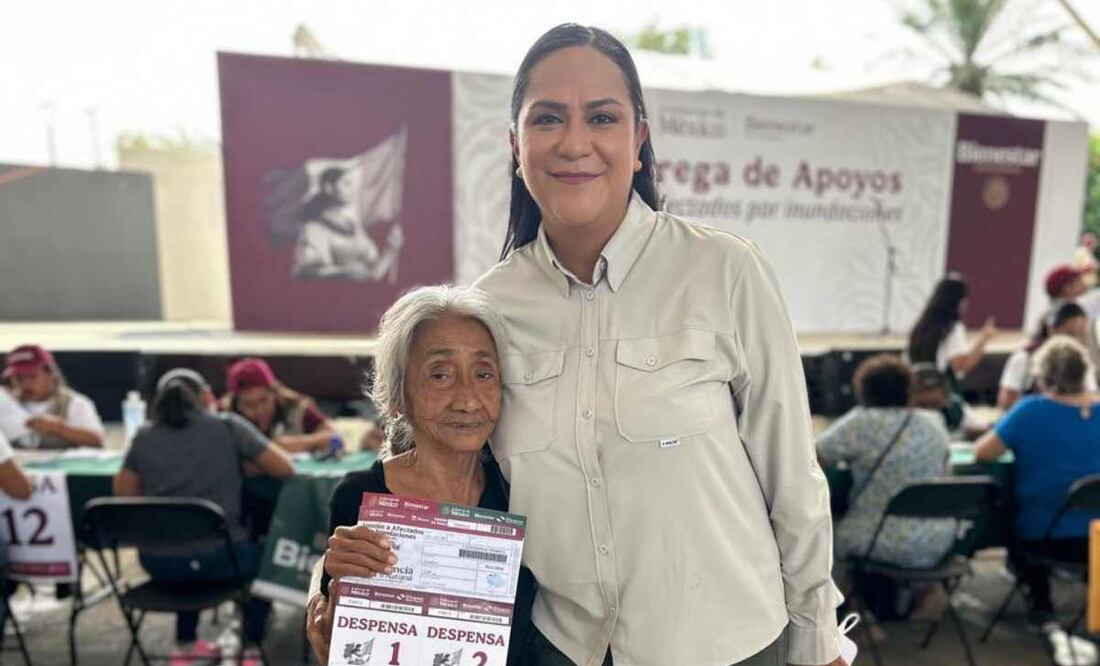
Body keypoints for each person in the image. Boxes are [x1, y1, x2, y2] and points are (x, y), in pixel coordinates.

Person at [320, 25, 845, 666]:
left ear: (639, 137)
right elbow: (446, 470)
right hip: (564, 650)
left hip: (730, 644)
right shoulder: (491, 309)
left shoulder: (724, 271)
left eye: (602, 116)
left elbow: (793, 477)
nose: (574, 143)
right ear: (515, 145)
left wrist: (816, 639)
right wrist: (358, 583)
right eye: (547, 119)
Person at [303, 286, 535, 666]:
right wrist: (327, 609)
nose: (468, 399)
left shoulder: (519, 490)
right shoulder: (360, 498)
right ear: (398, 395)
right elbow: (340, 636)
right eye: (440, 374)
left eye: (483, 373)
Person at [112, 368, 294, 665]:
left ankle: (186, 644)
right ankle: (251, 645)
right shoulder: (228, 426)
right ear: (207, 396)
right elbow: (285, 468)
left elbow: (123, 493)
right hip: (223, 559)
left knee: (183, 536)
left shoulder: (143, 437)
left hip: (159, 563)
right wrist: (241, 466)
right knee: (264, 553)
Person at [975, 336, 1100, 627]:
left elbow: (983, 451)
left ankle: (1040, 600)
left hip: (1044, 536)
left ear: (1042, 376)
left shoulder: (1030, 410)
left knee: (1004, 507)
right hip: (1097, 536)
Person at [817, 355, 955, 618]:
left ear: (864, 391)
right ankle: (929, 589)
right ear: (908, 390)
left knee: (828, 535)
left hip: (880, 539)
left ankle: (853, 614)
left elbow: (813, 457)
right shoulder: (934, 422)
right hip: (938, 540)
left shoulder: (862, 422)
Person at [292, 166, 403, 281]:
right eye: (346, 183)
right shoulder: (313, 227)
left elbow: (373, 275)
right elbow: (308, 272)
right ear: (328, 187)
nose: (353, 189)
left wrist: (391, 249)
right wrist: (344, 271)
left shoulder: (352, 225)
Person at [222, 358, 337, 455]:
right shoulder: (225, 417)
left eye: (263, 400)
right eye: (249, 405)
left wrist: (301, 443)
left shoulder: (297, 408)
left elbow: (333, 436)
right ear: (237, 404)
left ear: (274, 392)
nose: (259, 410)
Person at [998, 302, 1096, 411]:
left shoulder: (1080, 362)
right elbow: (1007, 403)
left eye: (1081, 335)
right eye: (1070, 333)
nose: (1076, 340)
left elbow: (1090, 398)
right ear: (1052, 329)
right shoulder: (1024, 358)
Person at [3, 344, 104, 449]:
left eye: (32, 376)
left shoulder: (74, 403)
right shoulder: (7, 405)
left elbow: (97, 441)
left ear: (51, 373)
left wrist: (59, 429)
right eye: (18, 378)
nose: (25, 383)